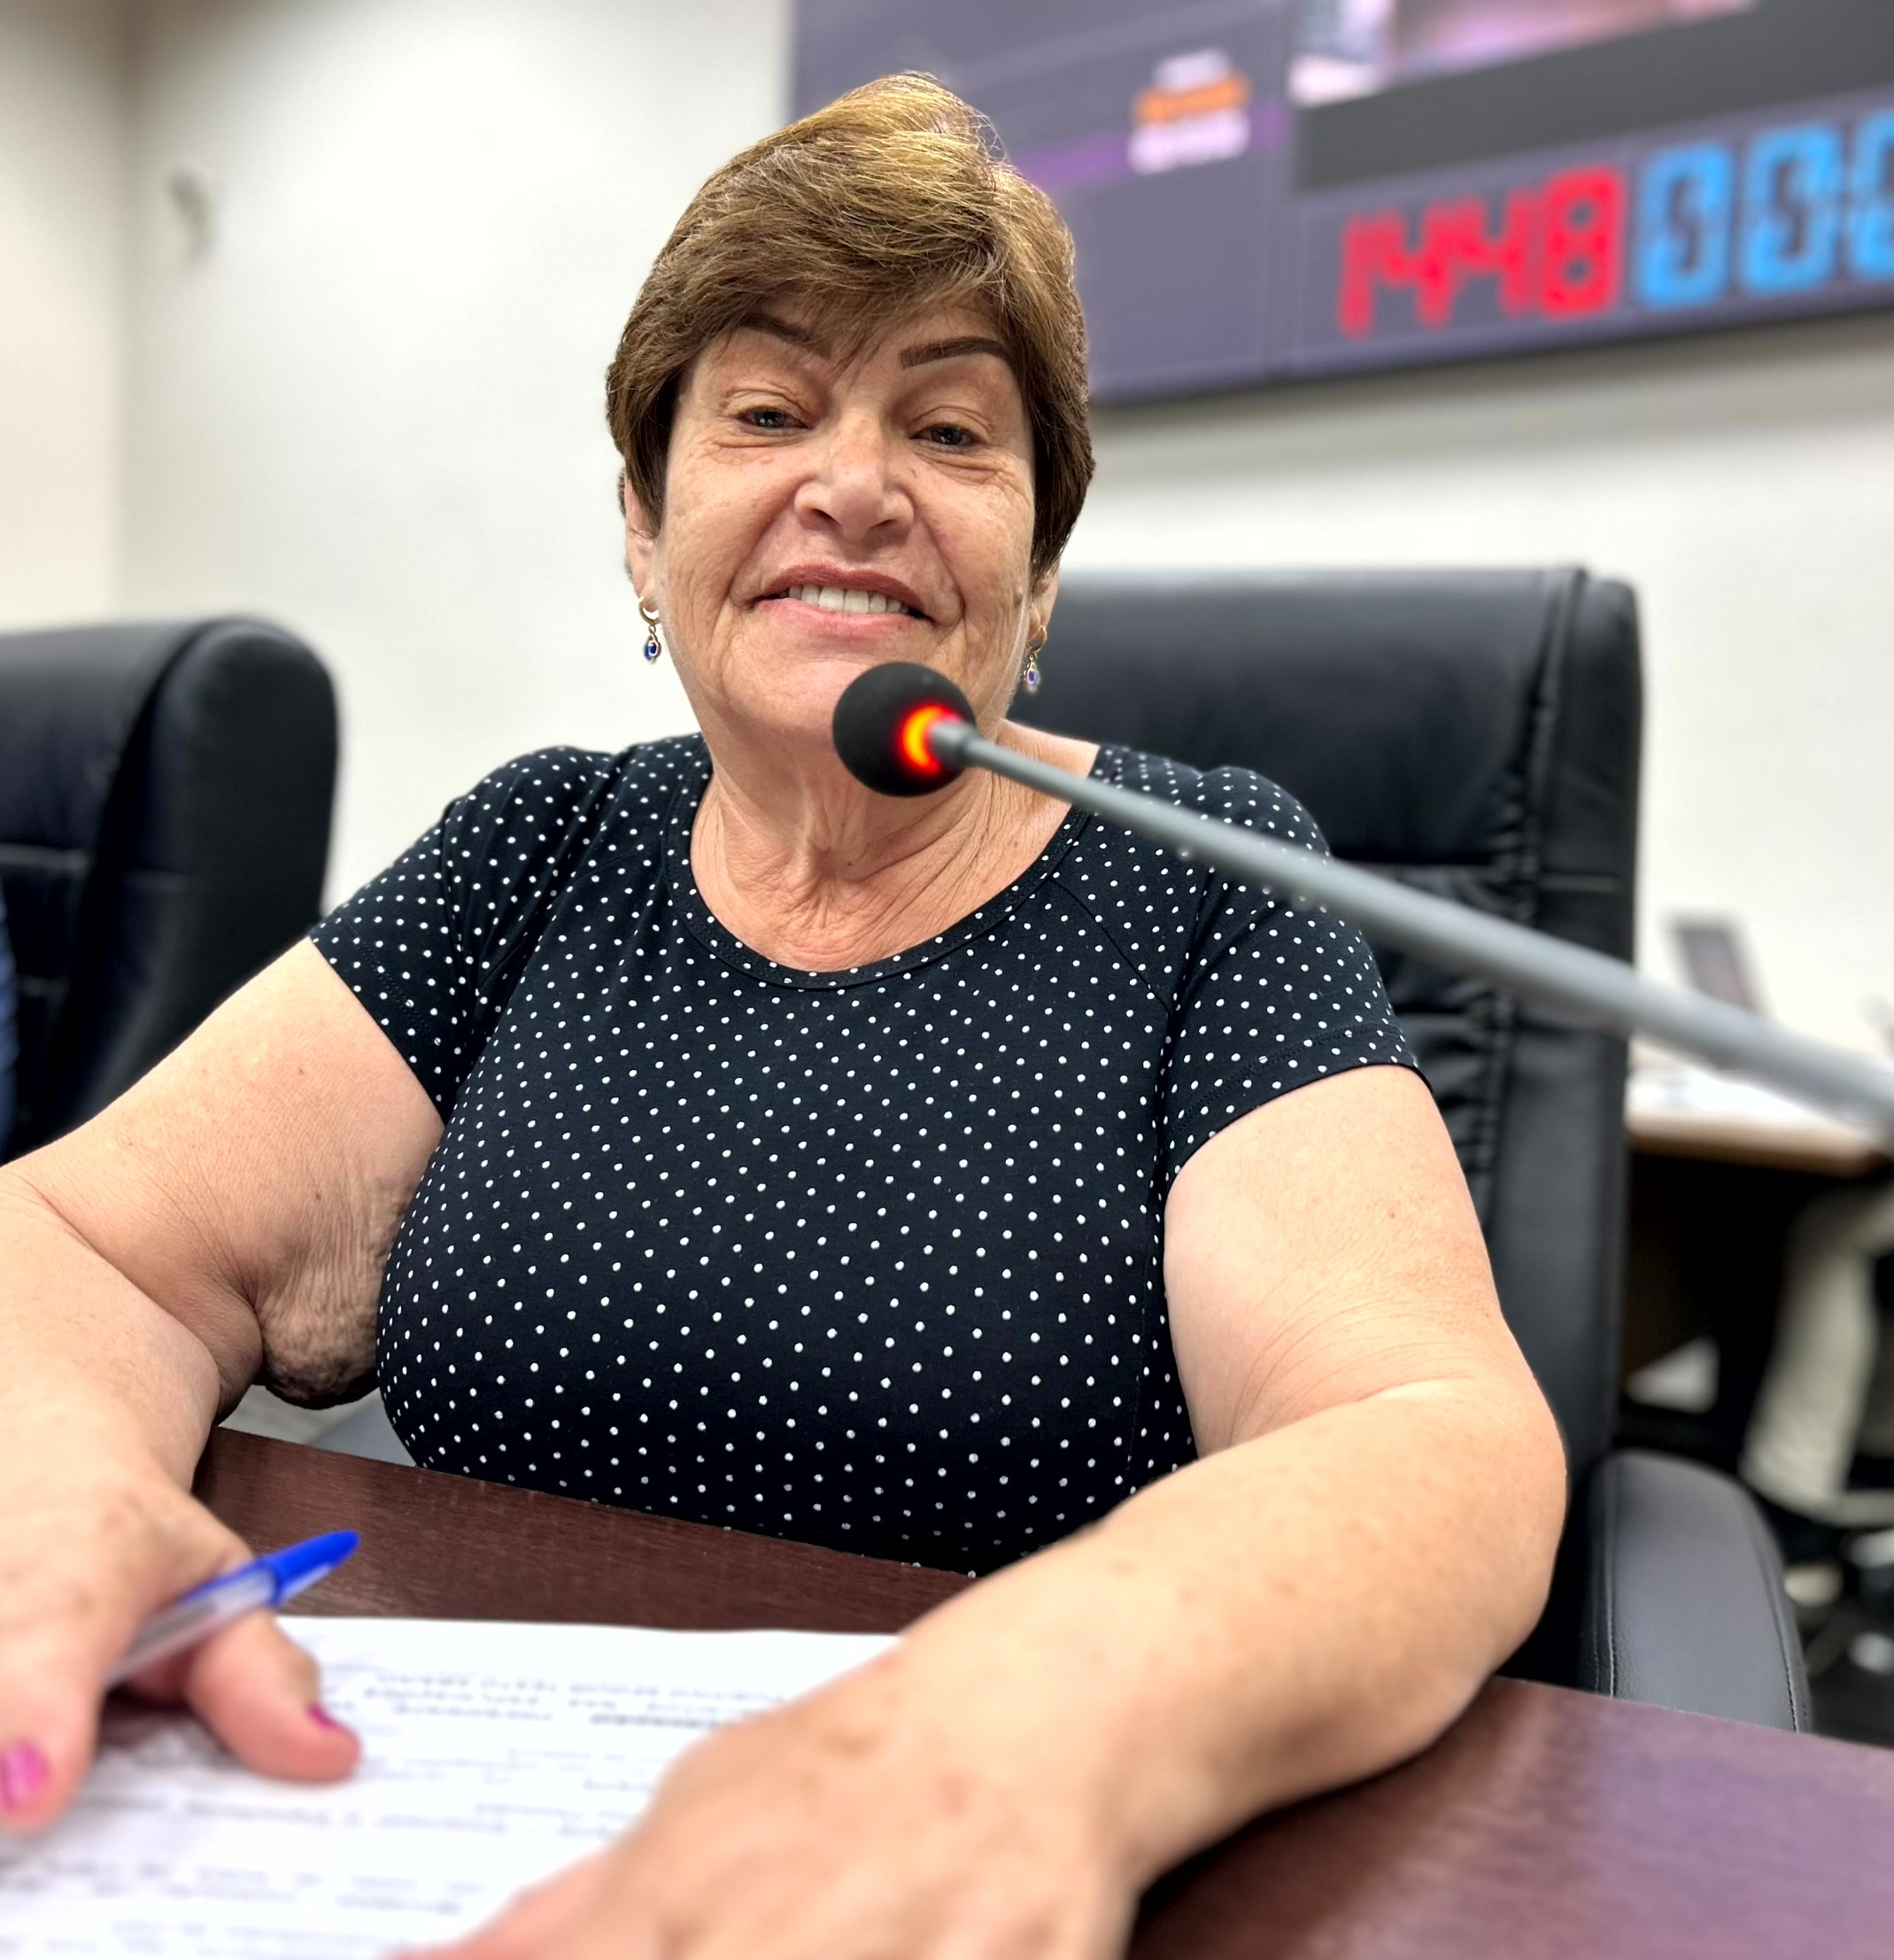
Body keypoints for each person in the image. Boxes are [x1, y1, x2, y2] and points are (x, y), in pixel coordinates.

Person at [0, 76, 1565, 1960]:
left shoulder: (1205, 878)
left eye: (949, 428)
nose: (856, 483)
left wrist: (1035, 1718)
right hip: (460, 1843)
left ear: (1035, 575)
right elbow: (80, 1242)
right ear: (645, 527)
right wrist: (59, 1493)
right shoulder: (539, 849)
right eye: (764, 411)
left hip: (986, 1875)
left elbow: (1425, 1431)